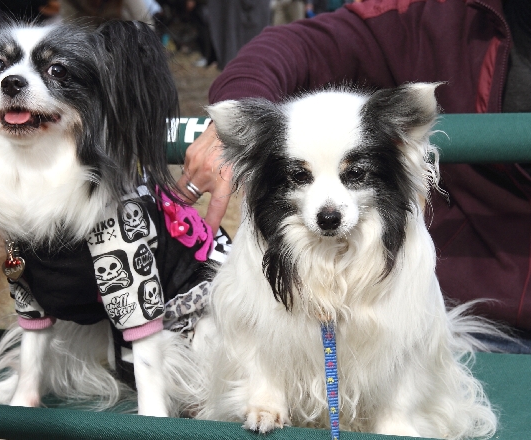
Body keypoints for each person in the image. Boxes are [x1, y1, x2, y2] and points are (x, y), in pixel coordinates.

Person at [177, 0, 531, 350]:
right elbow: (299, 44)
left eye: (355, 173)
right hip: (475, 316)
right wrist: (243, 130)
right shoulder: (434, 14)